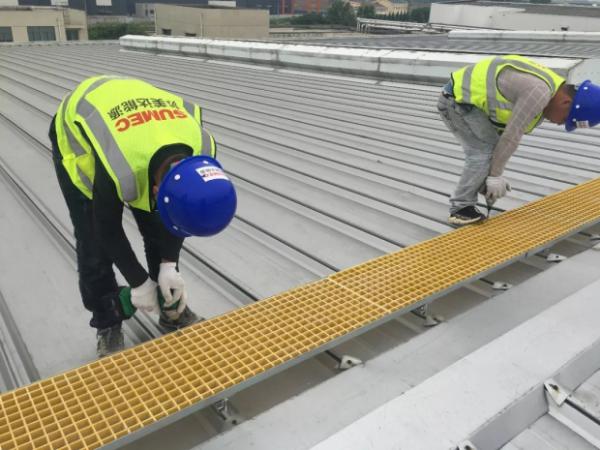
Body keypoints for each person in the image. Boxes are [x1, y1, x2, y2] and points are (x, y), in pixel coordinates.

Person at [49, 75, 237, 357]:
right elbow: (107, 229)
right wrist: (138, 282)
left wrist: (168, 265)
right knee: (92, 241)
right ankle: (107, 319)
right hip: (79, 127)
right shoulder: (120, 168)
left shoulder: (203, 150)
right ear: (157, 189)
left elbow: (176, 222)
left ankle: (170, 309)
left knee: (158, 223)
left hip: (142, 129)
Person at [438, 54, 600, 225]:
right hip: (456, 101)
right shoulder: (538, 93)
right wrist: (495, 176)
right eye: (566, 119)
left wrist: (489, 176)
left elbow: (502, 139)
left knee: (491, 151)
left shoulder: (551, 93)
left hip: (469, 102)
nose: (560, 123)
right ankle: (460, 209)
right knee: (482, 152)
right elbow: (511, 137)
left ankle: (470, 197)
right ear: (566, 102)